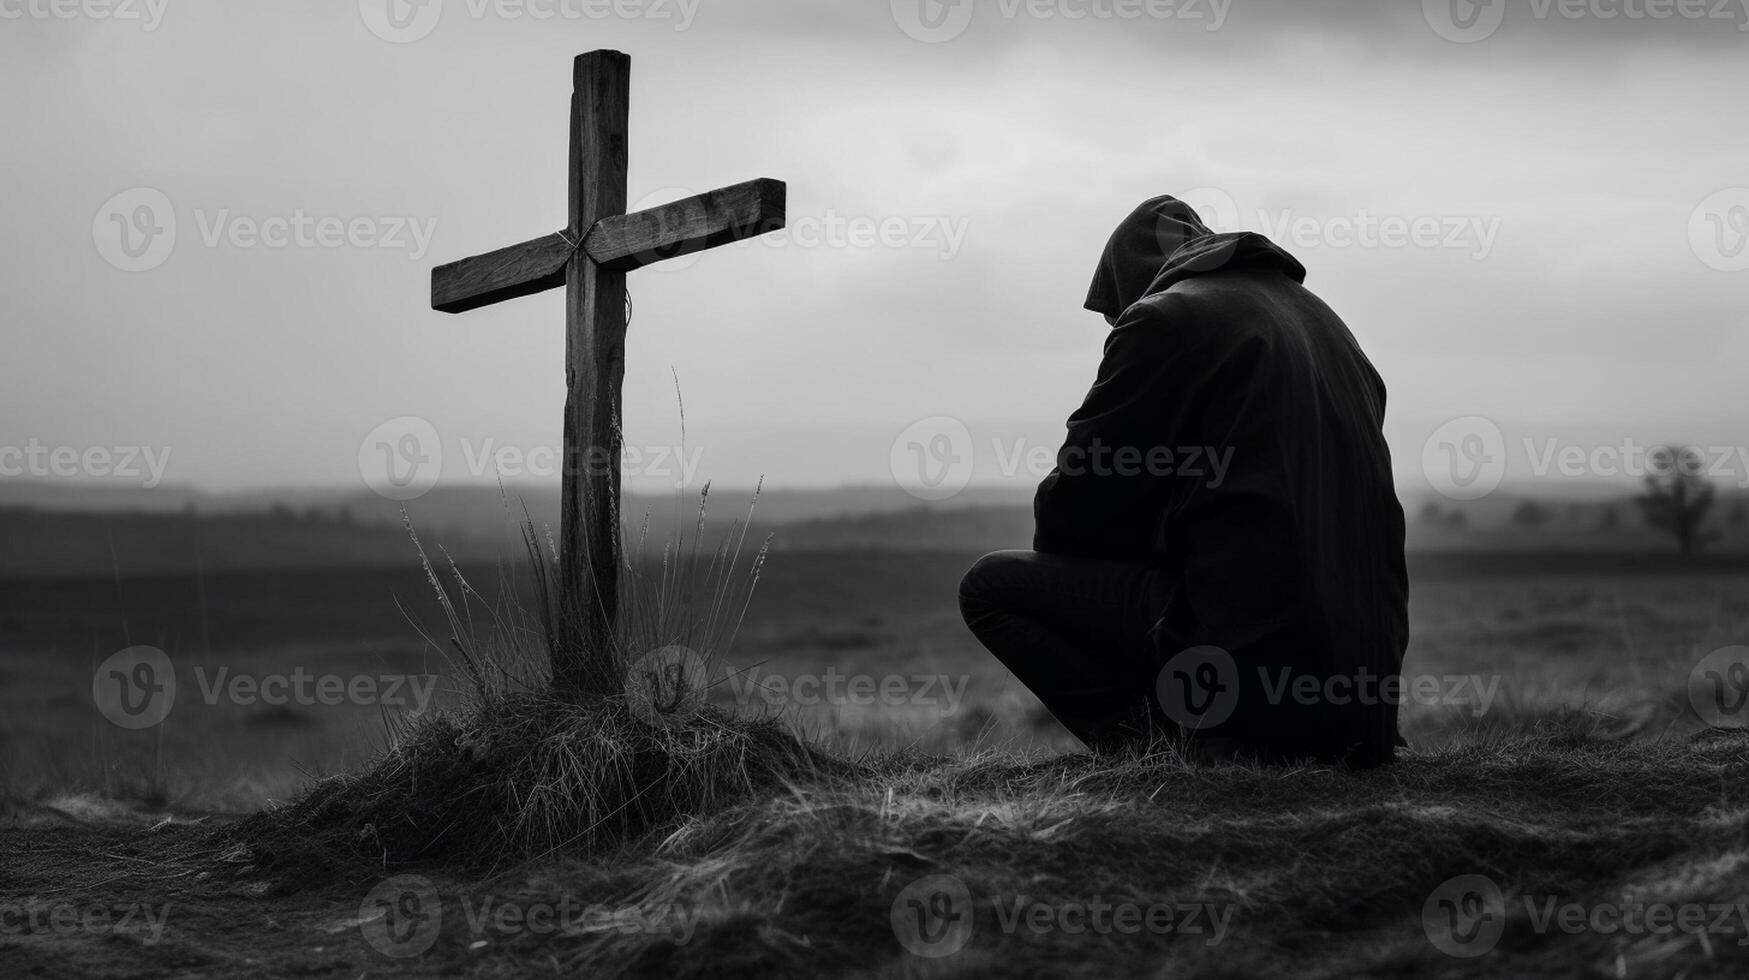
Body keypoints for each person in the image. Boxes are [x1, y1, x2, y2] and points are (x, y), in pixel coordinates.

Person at [958, 195, 1409, 767]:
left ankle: (1169, 756)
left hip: (1253, 663)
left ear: (1133, 282)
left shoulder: (1164, 319)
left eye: (1111, 314)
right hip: (1361, 701)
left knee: (990, 589)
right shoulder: (1329, 326)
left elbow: (1074, 510)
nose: (1114, 326)